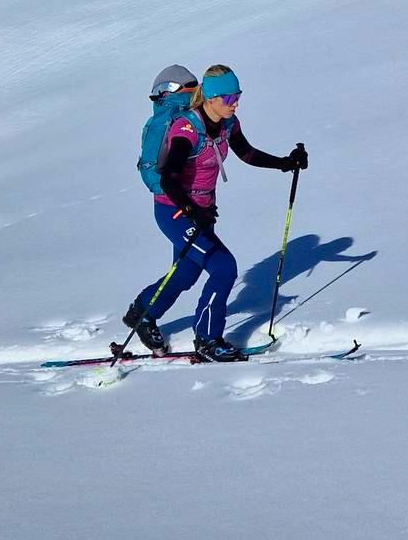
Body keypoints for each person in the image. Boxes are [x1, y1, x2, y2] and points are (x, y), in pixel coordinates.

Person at [123, 64, 309, 361]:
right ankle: (208, 340)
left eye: (237, 95)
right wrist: (191, 210)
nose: (234, 102)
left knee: (186, 273)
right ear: (209, 98)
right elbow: (169, 176)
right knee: (223, 267)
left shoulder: (227, 123)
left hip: (201, 210)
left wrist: (285, 163)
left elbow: (246, 153)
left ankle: (142, 312)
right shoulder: (185, 129)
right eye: (227, 97)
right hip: (175, 210)